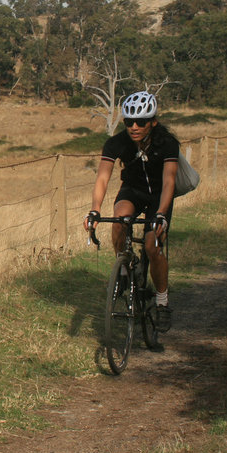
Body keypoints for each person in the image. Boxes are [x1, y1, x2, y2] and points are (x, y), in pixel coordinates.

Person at [83, 91, 179, 331]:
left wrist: (161, 215)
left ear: (153, 122)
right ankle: (124, 268)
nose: (134, 127)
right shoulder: (117, 142)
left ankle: (162, 301)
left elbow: (169, 181)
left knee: (151, 244)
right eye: (128, 122)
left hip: (159, 196)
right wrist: (94, 211)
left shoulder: (167, 143)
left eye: (141, 122)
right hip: (133, 191)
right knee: (119, 221)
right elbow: (103, 178)